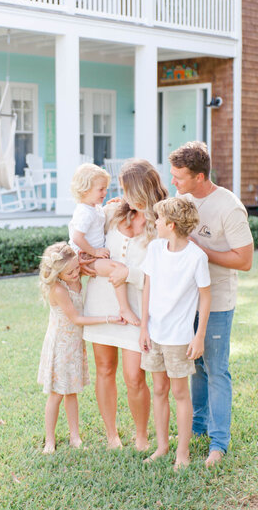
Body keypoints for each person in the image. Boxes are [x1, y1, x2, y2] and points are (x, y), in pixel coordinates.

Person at [169, 141, 253, 467]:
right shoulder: (182, 199)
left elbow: (244, 261)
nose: (173, 181)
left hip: (216, 301)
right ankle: (198, 427)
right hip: (185, 301)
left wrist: (201, 249)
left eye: (179, 177)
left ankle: (218, 443)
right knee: (196, 368)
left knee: (216, 370)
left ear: (200, 176)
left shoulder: (229, 207)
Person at [83, 159, 168, 450]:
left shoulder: (162, 223)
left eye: (126, 188)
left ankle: (142, 436)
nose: (121, 193)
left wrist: (127, 273)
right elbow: (85, 252)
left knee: (134, 377)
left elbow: (165, 274)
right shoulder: (109, 213)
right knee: (104, 368)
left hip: (137, 311)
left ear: (143, 189)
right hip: (101, 303)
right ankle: (112, 436)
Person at [139, 198, 211, 469]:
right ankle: (162, 446)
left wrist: (199, 335)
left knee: (180, 393)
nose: (154, 222)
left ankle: (183, 452)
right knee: (159, 389)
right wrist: (144, 327)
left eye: (158, 219)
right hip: (154, 334)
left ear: (170, 225)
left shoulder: (196, 257)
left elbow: (205, 297)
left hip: (179, 337)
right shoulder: (155, 249)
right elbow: (147, 287)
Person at [37, 241, 124, 454]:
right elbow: (76, 318)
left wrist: (84, 262)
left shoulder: (74, 275)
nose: (77, 274)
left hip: (75, 344)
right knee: (57, 393)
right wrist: (108, 319)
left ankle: (74, 435)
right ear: (57, 274)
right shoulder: (58, 288)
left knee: (72, 391)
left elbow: (84, 268)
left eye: (77, 268)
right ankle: (50, 439)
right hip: (61, 345)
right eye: (70, 272)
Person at [69, 163, 140, 326]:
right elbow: (77, 237)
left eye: (105, 188)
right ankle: (124, 308)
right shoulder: (84, 212)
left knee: (116, 268)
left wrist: (114, 203)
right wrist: (94, 252)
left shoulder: (93, 208)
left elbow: (100, 219)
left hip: (90, 254)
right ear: (85, 190)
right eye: (100, 189)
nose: (105, 192)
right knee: (117, 269)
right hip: (85, 256)